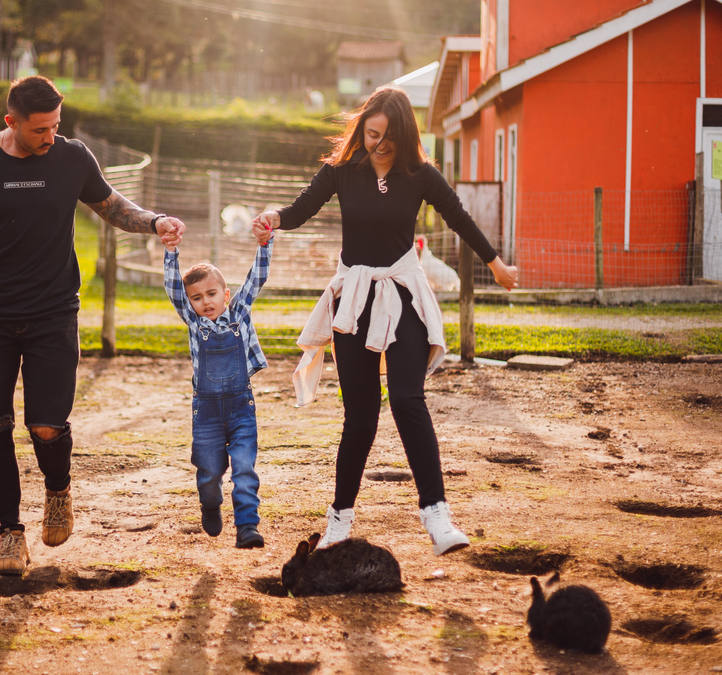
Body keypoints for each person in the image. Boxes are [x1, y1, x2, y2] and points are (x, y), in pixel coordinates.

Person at [0, 75, 185, 576]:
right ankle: (9, 535)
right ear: (11, 122)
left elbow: (111, 206)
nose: (50, 137)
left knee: (46, 425)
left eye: (55, 127)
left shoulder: (72, 157)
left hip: (52, 312)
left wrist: (154, 222)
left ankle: (58, 490)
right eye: (40, 130)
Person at [252, 86, 518, 556]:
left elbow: (458, 217)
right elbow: (299, 209)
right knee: (361, 417)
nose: (377, 145)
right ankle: (339, 521)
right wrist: (272, 216)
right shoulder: (341, 172)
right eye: (371, 134)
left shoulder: (419, 175)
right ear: (362, 129)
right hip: (354, 299)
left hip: (402, 296)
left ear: (404, 135)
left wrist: (494, 262)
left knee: (408, 401)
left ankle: (437, 518)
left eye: (387, 137)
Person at [162, 235, 272, 549]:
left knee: (244, 467)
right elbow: (173, 290)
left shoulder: (239, 312)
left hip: (240, 407)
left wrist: (265, 244)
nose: (206, 302)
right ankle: (210, 503)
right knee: (209, 471)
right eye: (196, 298)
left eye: (212, 294)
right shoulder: (196, 324)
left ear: (226, 294)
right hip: (207, 412)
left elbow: (257, 277)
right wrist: (172, 252)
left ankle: (247, 526)